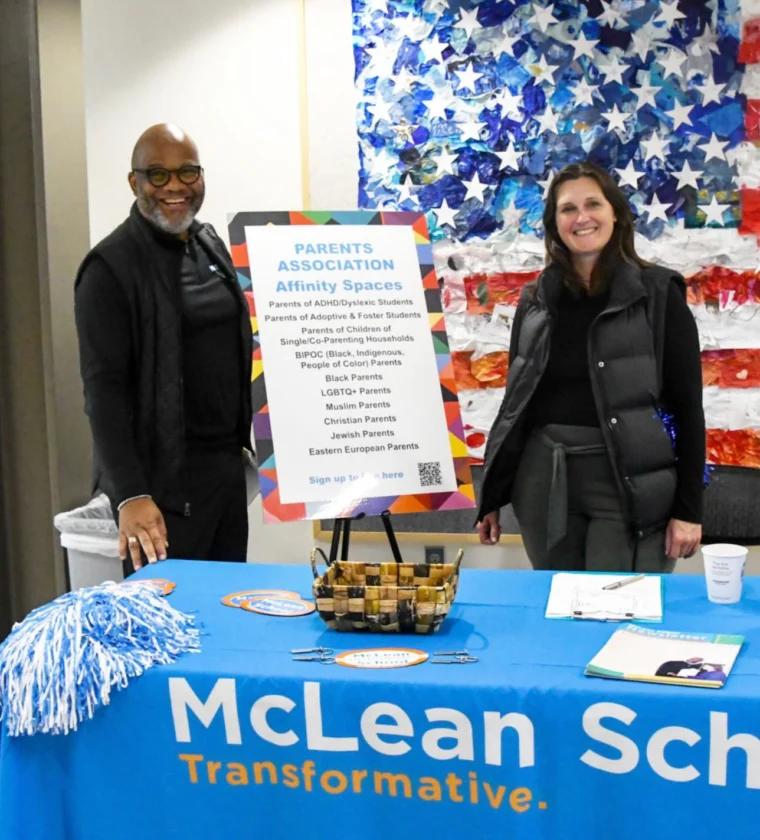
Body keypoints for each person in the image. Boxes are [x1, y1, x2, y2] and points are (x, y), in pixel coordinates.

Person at [476, 161, 705, 572]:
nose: (581, 217)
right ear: (554, 222)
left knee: (621, 607)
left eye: (593, 204)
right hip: (543, 480)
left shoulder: (657, 295)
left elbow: (688, 409)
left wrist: (689, 510)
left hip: (627, 483)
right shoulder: (535, 300)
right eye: (567, 209)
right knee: (557, 609)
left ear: (615, 213)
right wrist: (491, 495)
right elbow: (517, 405)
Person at [74, 123, 254, 576]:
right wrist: (131, 495)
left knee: (224, 614)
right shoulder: (109, 268)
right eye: (157, 175)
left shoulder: (208, 244)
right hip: (161, 490)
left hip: (224, 476)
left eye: (187, 172)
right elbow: (103, 392)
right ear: (134, 183)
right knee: (169, 630)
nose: (174, 186)